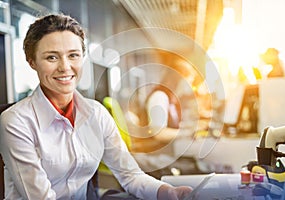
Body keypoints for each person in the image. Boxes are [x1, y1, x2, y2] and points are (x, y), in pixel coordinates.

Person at [0, 13, 192, 200]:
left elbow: (130, 176)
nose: (65, 67)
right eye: (52, 57)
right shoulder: (16, 121)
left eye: (73, 55)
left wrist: (167, 192)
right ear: (32, 62)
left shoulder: (96, 113)